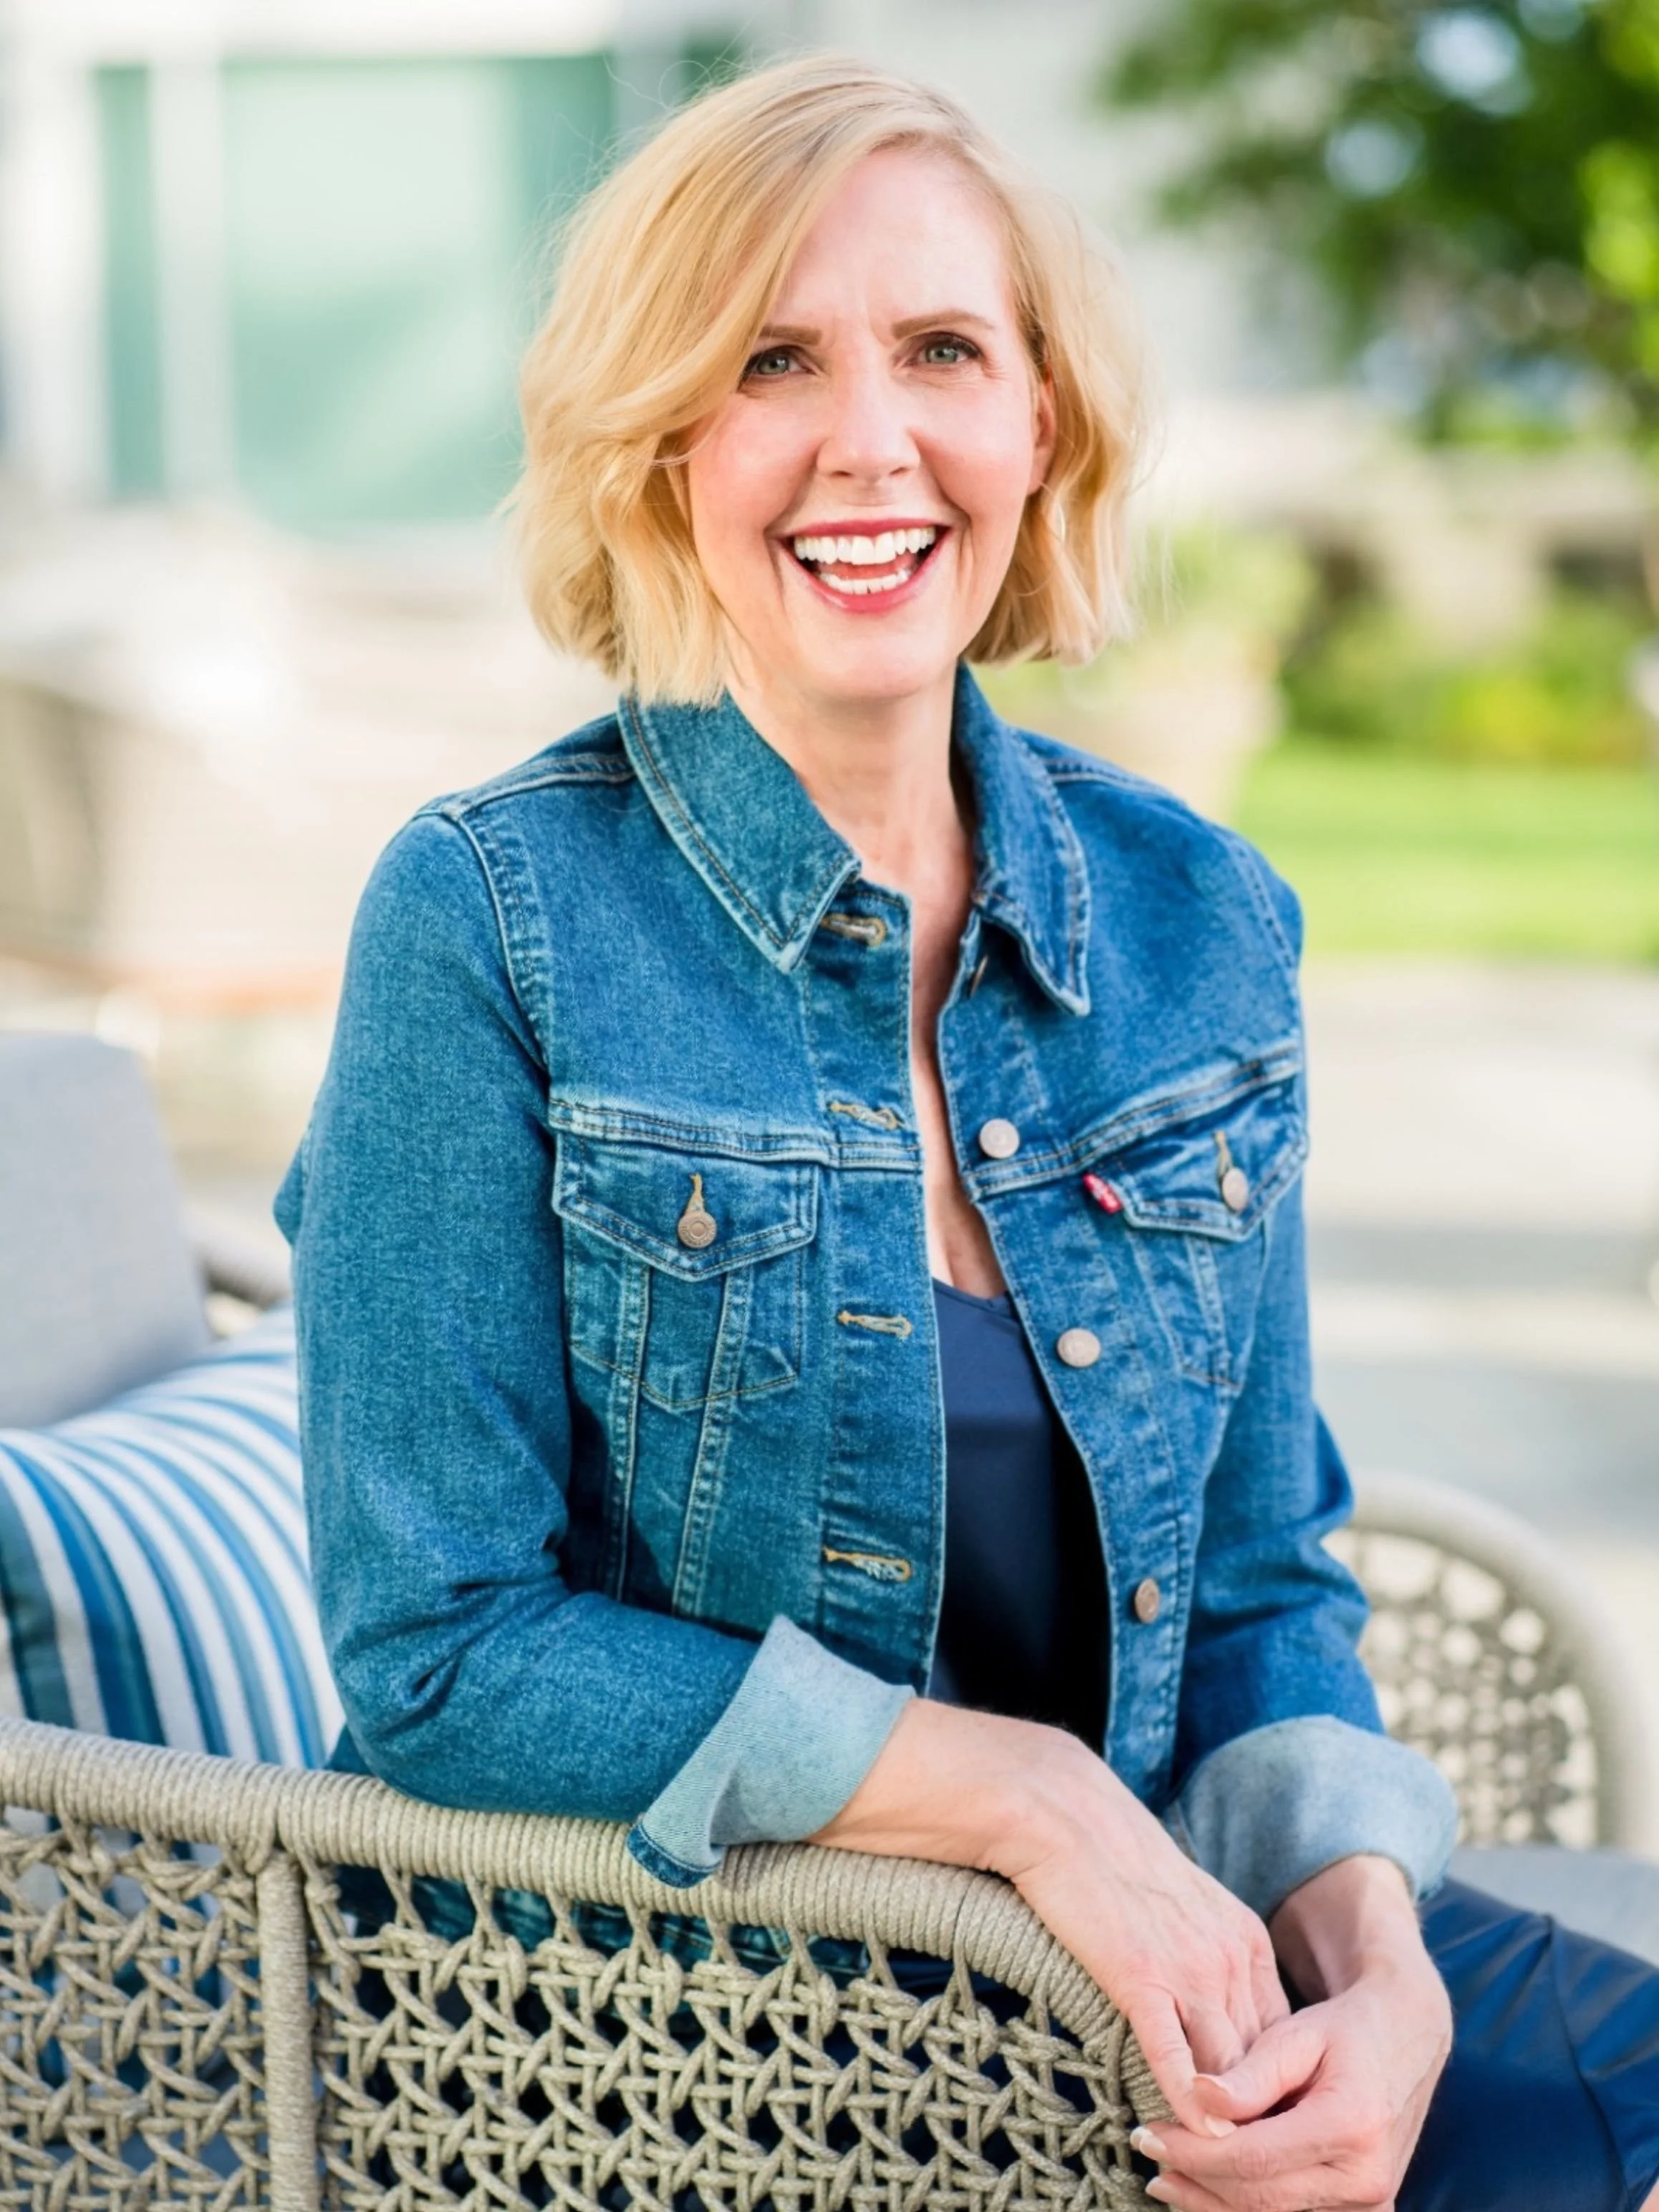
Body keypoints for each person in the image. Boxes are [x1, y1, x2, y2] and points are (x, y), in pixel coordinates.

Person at [276, 54, 1659, 2212]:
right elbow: (441, 1653)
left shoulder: (1197, 917)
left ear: (1040, 423)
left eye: (941, 349)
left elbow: (1261, 1588)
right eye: (772, 361)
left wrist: (1378, 1964)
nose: (870, 439)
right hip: (646, 2014)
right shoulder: (490, 920)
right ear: (659, 440)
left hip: (1135, 1960)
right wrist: (1023, 1800)